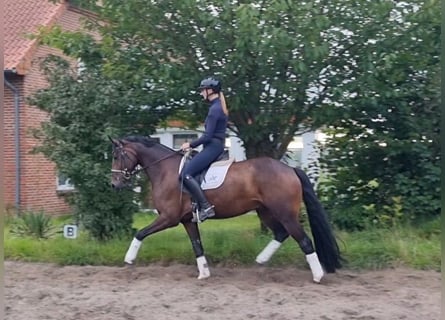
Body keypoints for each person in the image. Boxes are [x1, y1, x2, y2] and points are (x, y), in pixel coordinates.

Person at [180, 76, 229, 222]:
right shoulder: (217, 107)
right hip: (214, 146)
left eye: (203, 90)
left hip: (213, 146)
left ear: (210, 91)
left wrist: (190, 144)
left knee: (186, 174)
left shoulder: (215, 109)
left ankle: (206, 207)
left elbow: (207, 136)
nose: (201, 93)